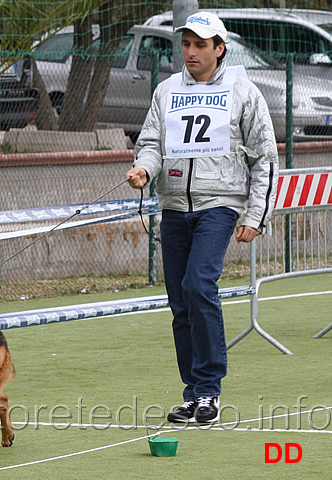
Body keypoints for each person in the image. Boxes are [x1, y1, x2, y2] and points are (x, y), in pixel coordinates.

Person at [126, 12, 278, 424]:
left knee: (198, 285)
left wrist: (256, 213)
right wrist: (145, 169)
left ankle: (210, 390)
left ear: (219, 49)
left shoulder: (243, 91)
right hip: (174, 207)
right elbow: (152, 142)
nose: (190, 52)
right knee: (180, 303)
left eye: (200, 45)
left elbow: (265, 156)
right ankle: (193, 394)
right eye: (186, 43)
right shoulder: (166, 90)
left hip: (220, 205)